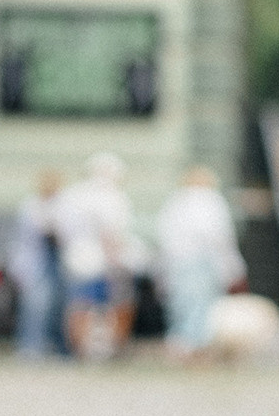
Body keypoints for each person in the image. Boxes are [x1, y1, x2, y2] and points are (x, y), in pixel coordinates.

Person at [52, 151, 136, 360]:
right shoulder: (111, 196)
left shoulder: (73, 195)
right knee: (118, 304)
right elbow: (110, 232)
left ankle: (78, 351)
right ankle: (114, 349)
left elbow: (58, 228)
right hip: (102, 260)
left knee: (79, 305)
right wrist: (117, 259)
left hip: (75, 258)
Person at [155, 164, 245, 353]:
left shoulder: (175, 202)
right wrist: (233, 264)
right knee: (201, 305)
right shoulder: (210, 201)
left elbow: (164, 236)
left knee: (181, 304)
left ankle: (180, 343)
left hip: (178, 261)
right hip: (202, 260)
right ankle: (196, 345)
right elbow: (219, 235)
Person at [7, 174, 62, 360]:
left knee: (53, 307)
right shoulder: (32, 206)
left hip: (53, 263)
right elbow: (37, 232)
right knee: (34, 306)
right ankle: (30, 346)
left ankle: (49, 345)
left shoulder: (58, 205)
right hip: (35, 264)